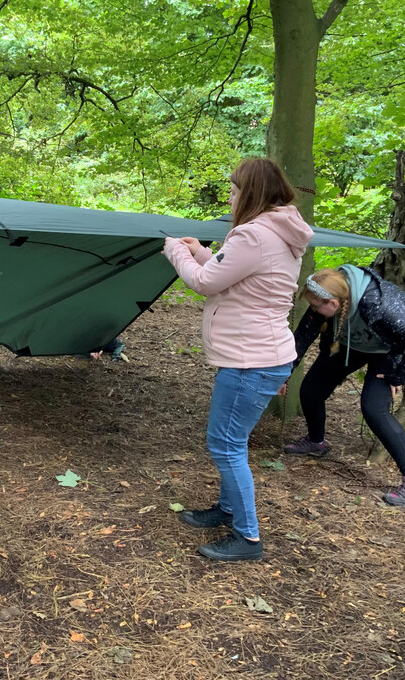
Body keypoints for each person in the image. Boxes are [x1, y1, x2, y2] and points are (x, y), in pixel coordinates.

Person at [163, 158, 314, 561]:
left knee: (226, 443)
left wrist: (176, 251)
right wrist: (202, 250)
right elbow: (229, 273)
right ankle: (226, 509)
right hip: (262, 354)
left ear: (251, 194)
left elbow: (204, 282)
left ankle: (247, 538)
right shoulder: (275, 232)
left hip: (253, 359)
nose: (229, 197)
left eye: (233, 190)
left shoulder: (254, 236)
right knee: (233, 440)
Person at [283, 265, 405, 507]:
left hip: (386, 352)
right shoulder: (325, 299)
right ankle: (316, 442)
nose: (313, 310)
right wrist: (284, 373)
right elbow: (303, 336)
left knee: (374, 409)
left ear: (333, 303)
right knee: (310, 390)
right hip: (348, 344)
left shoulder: (379, 305)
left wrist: (398, 377)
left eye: (315, 306)